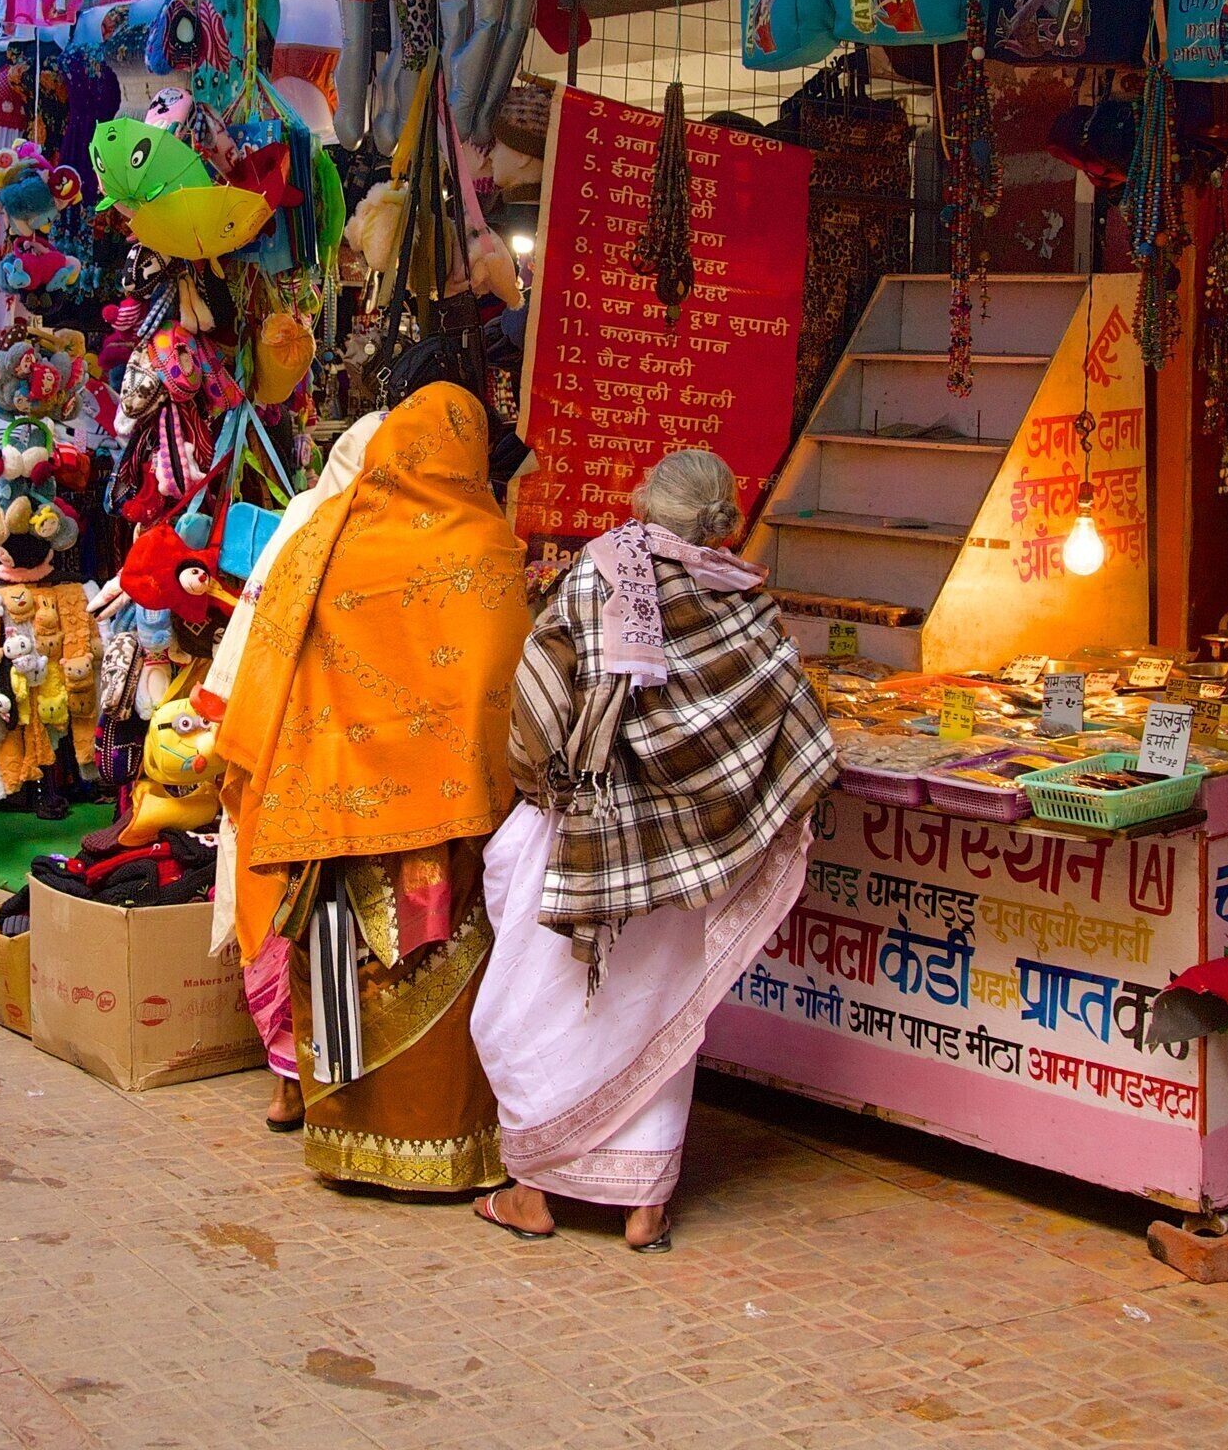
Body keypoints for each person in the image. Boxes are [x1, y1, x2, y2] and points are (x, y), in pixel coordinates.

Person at [472, 449, 832, 1253]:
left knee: (539, 1006)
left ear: (645, 501)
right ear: (723, 517)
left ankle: (533, 1193)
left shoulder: (595, 578)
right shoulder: (745, 599)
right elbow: (787, 710)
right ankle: (644, 1209)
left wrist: (543, 781)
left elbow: (541, 697)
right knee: (654, 1013)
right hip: (689, 853)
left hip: (591, 839)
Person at [208, 382, 527, 1197]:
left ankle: (348, 1148)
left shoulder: (324, 534)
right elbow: (497, 688)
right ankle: (444, 1149)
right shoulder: (486, 545)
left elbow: (272, 661)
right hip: (446, 819)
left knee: (341, 970)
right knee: (444, 975)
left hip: (332, 809)